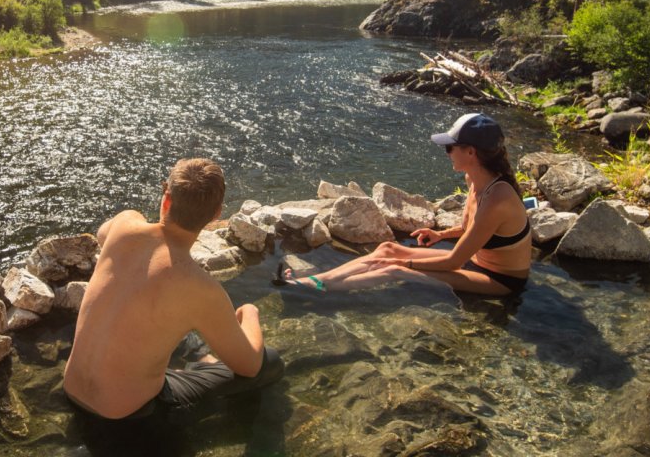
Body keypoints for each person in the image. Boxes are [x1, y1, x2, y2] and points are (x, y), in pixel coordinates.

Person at [63, 158, 284, 423]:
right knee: (269, 362)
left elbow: (102, 235)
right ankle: (201, 364)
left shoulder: (125, 223)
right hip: (125, 415)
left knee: (166, 318)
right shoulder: (200, 288)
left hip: (71, 391)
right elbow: (249, 366)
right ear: (216, 214)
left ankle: (200, 357)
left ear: (166, 198)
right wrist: (250, 312)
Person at [279, 113, 530, 297]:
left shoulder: (498, 199)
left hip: (498, 280)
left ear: (471, 152)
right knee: (387, 249)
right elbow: (475, 231)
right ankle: (317, 280)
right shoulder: (474, 179)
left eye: (450, 147)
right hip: (473, 261)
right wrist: (441, 234)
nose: (447, 153)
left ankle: (312, 291)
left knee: (391, 270)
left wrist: (404, 264)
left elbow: (454, 261)